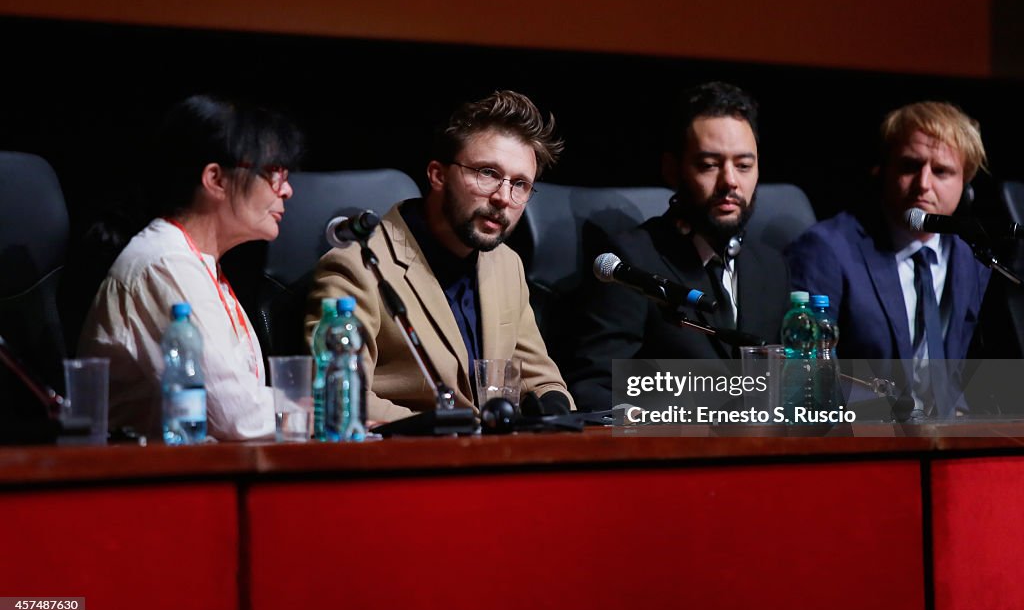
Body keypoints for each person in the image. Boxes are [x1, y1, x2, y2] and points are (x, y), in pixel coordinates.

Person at [305, 90, 573, 422]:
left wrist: (555, 411)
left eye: (520, 184)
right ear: (438, 175)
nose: (504, 197)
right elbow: (339, 396)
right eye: (487, 173)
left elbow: (541, 380)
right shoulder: (357, 266)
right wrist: (457, 429)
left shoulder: (506, 264)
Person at [79, 94, 304, 440]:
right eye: (273, 173)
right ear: (216, 179)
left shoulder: (198, 262)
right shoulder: (164, 263)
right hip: (146, 483)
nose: (287, 190)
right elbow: (237, 418)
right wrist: (329, 410)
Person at [566, 82, 790, 412]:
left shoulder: (772, 266)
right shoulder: (631, 262)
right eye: (709, 164)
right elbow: (591, 387)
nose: (730, 181)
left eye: (744, 165)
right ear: (673, 170)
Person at [785, 101, 989, 414]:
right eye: (910, 166)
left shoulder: (972, 257)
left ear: (966, 184)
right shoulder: (826, 250)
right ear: (883, 170)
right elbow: (809, 378)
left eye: (942, 171)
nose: (924, 184)